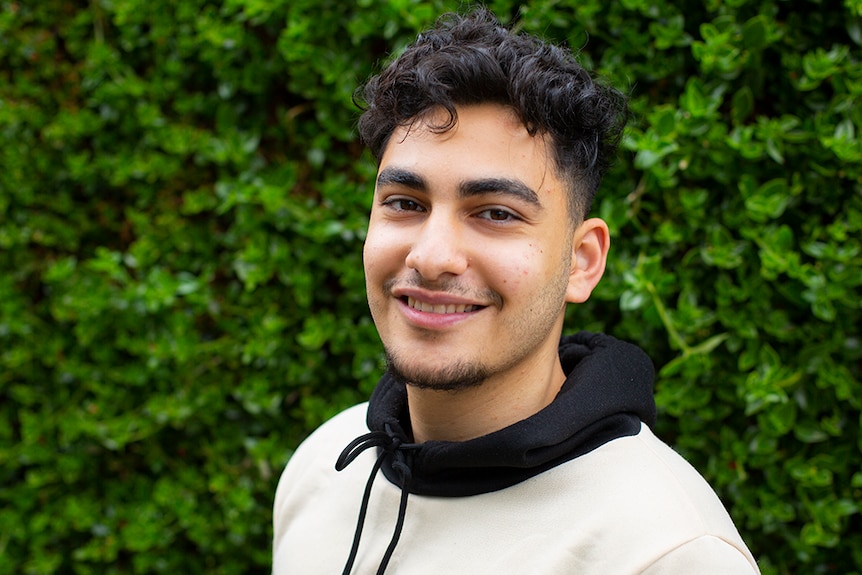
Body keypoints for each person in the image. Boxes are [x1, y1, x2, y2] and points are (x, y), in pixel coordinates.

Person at [272, 9, 760, 575]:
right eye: (406, 203)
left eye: (496, 213)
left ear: (582, 262)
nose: (430, 257)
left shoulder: (663, 550)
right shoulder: (324, 465)